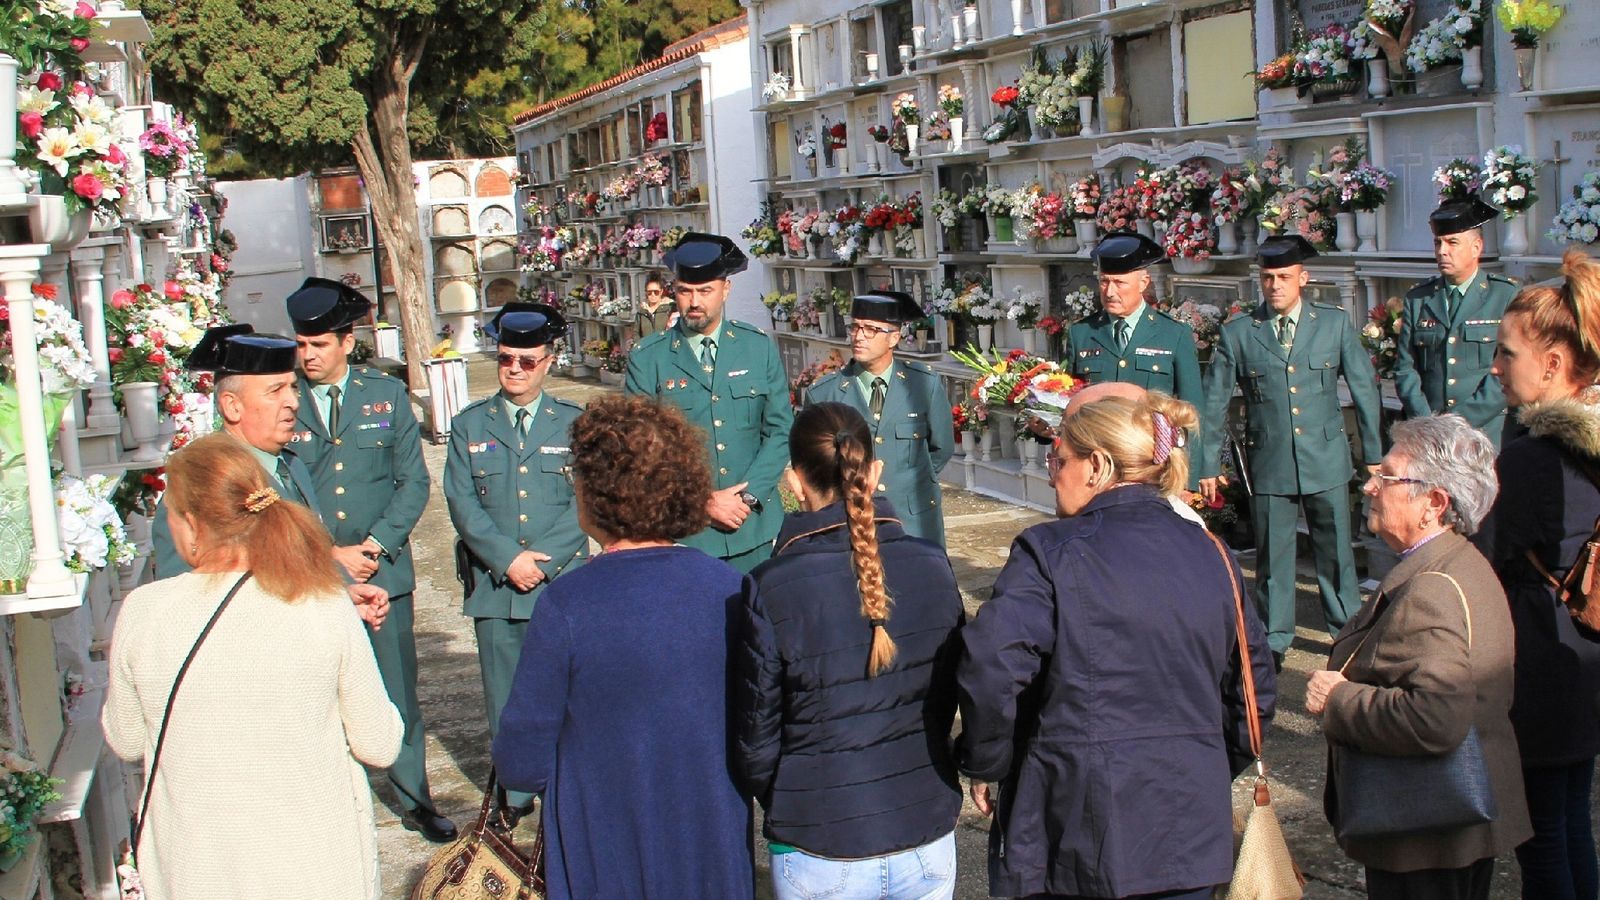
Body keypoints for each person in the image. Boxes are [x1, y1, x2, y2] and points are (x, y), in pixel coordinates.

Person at [957, 390, 1276, 900]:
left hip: (1072, 825)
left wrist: (988, 760)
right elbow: (1253, 692)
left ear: (1098, 466)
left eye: (1058, 458)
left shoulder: (1049, 551)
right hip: (1186, 826)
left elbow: (991, 665)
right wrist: (1199, 764)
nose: (1050, 472)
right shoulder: (1212, 552)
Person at [103, 433, 402, 900]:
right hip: (314, 865)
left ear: (192, 523)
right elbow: (380, 744)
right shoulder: (322, 603)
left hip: (194, 867)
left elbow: (124, 738)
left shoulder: (144, 610)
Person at [493, 395, 753, 899]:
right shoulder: (731, 589)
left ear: (595, 495)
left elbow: (521, 758)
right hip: (710, 841)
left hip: (602, 850)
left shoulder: (568, 604)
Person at [734, 402, 966, 899]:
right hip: (924, 825)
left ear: (792, 483)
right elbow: (954, 693)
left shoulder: (772, 586)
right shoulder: (933, 565)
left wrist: (788, 797)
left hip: (820, 835)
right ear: (874, 471)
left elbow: (756, 736)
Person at [1307, 415, 1530, 900]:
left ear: (1434, 502)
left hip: (1427, 829)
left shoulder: (1432, 588)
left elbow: (1434, 718)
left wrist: (1339, 699)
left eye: (1385, 477)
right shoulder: (1455, 560)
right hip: (1450, 823)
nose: (1368, 487)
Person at [285, 277, 455, 843]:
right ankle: (331, 799)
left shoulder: (384, 396)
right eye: (301, 345)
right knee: (313, 687)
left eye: (319, 345)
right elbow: (274, 489)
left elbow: (412, 482)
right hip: (308, 571)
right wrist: (327, 555)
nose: (307, 356)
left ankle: (414, 796)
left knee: (396, 688)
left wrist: (375, 547)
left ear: (346, 341)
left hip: (381, 571)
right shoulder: (283, 401)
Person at [1474, 248, 1600, 900]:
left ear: (1552, 365)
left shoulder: (1532, 459)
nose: (1495, 367)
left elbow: (1482, 560)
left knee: (1541, 835)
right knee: (1571, 821)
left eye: (1506, 354)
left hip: (1543, 666)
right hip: (1583, 654)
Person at [1197, 235, 1382, 669]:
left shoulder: (1333, 324)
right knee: (1273, 559)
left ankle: (1345, 633)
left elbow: (1364, 389)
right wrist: (1206, 464)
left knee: (1336, 551)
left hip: (1326, 457)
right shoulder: (1240, 332)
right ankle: (1275, 640)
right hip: (1271, 460)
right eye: (1267, 277)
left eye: (1283, 277)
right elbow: (1212, 403)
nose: (1275, 285)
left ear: (1304, 278)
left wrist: (1374, 454)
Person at [444, 301, 588, 819]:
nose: (514, 370)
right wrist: (509, 561)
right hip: (497, 586)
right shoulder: (468, 426)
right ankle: (515, 792)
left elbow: (586, 503)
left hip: (560, 588)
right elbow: (462, 503)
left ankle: (565, 786)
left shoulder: (574, 423)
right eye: (506, 358)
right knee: (503, 698)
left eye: (527, 361)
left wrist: (542, 565)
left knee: (567, 697)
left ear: (549, 361)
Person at [151, 324, 390, 629]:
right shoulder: (201, 485)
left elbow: (308, 552)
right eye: (275, 391)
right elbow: (183, 597)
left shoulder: (291, 466)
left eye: (292, 387)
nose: (292, 401)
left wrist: (341, 595)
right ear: (232, 406)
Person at [624, 232, 793, 573]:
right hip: (686, 532)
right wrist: (702, 502)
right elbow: (642, 447)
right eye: (685, 291)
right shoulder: (648, 357)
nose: (694, 302)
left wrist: (747, 497)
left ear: (725, 290)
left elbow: (780, 430)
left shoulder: (756, 347)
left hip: (753, 526)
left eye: (705, 291)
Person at [805, 291, 955, 544]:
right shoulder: (824, 393)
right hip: (851, 520)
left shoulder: (923, 384)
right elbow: (813, 463)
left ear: (893, 338)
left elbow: (941, 448)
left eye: (871, 329)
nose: (858, 336)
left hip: (913, 519)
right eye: (855, 327)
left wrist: (906, 481)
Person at [1392, 198, 1516, 446]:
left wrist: (1459, 423)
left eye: (1452, 242)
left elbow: (1509, 369)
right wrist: (1427, 423)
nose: (1442, 251)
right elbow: (1406, 369)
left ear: (1476, 247)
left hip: (1484, 434)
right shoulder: (1419, 299)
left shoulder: (1504, 296)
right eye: (1438, 243)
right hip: (1430, 437)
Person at [1064, 231, 1203, 409]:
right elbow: (1066, 402)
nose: (1109, 292)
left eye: (1119, 283)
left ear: (1143, 283)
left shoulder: (1174, 334)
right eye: (1104, 281)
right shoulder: (1082, 333)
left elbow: (1192, 411)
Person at [636, 272, 675, 337]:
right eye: (649, 292)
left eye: (656, 292)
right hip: (646, 346)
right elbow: (636, 333)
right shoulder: (641, 311)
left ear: (661, 291)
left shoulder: (670, 308)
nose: (652, 295)